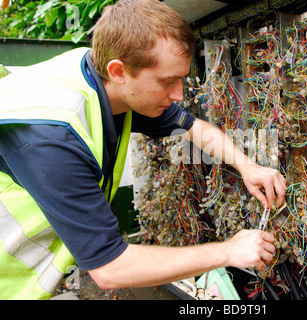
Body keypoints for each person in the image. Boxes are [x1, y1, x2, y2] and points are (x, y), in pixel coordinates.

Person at [0, 0, 286, 299]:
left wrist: (247, 166)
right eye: (168, 81)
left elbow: (192, 127)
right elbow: (111, 268)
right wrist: (228, 251)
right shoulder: (52, 138)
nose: (177, 95)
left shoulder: (102, 77)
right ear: (118, 71)